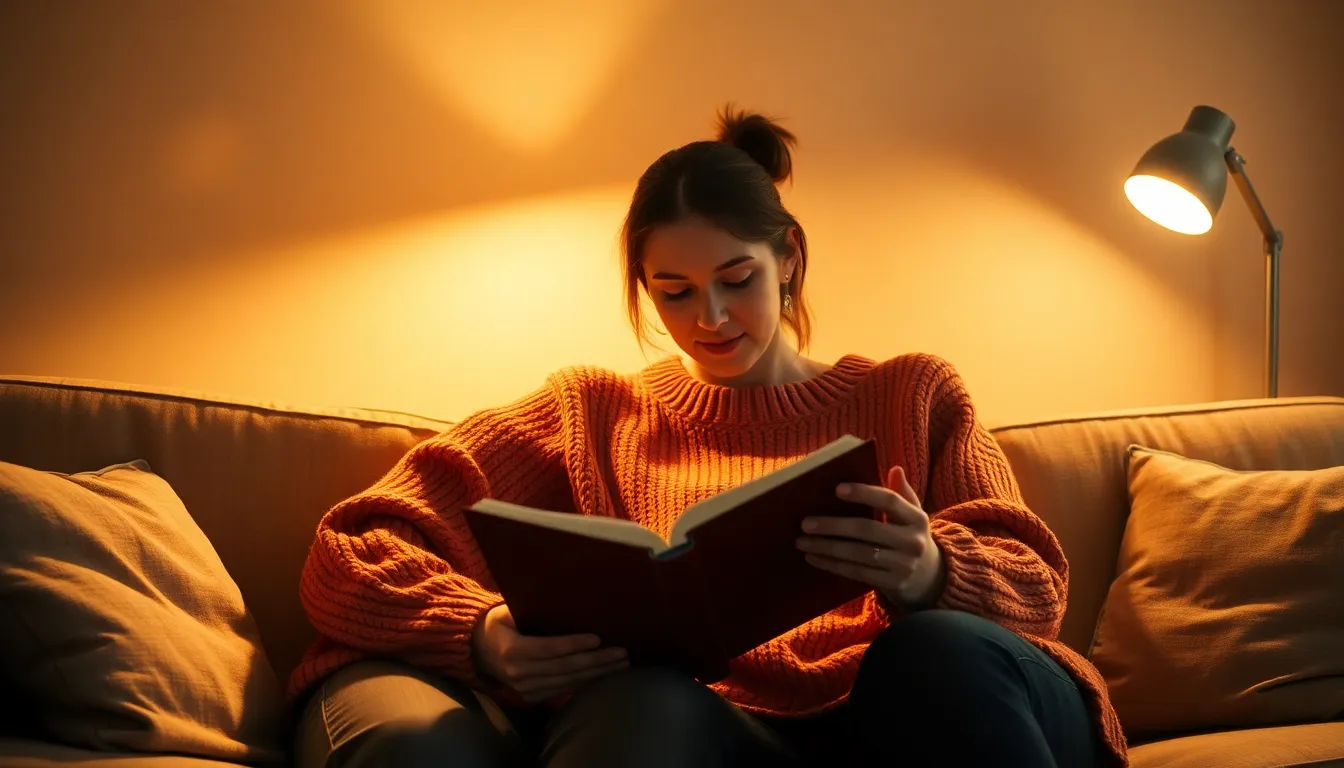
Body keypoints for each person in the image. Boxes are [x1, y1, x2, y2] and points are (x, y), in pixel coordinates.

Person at [290, 106, 1127, 768]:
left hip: (921, 706)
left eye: (737, 280)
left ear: (788, 259)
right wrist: (480, 631)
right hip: (723, 732)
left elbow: (1038, 587)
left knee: (932, 650)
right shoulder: (590, 413)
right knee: (640, 701)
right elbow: (349, 549)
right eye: (675, 292)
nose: (712, 319)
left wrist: (933, 568)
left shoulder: (913, 391)